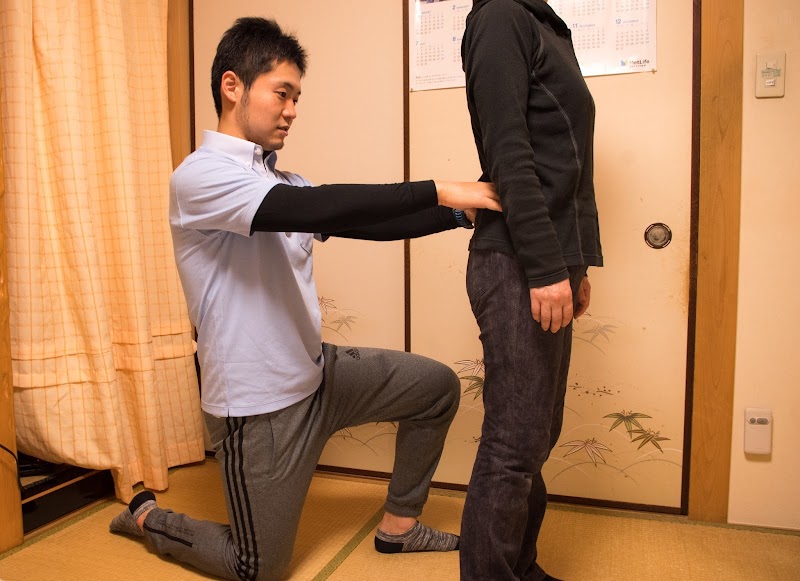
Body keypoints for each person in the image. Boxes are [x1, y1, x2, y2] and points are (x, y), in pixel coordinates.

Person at [109, 16, 500, 581]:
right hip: (259, 407)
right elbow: (320, 208)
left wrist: (458, 215)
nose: (292, 110)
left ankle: (399, 526)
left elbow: (362, 222)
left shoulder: (281, 182)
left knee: (435, 388)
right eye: (282, 93)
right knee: (256, 568)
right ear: (232, 86)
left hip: (317, 375)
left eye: (297, 98)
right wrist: (438, 188)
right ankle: (148, 516)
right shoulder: (199, 178)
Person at [458, 1, 603, 580]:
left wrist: (576, 264)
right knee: (514, 445)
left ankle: (522, 568)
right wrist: (545, 268)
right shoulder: (501, 17)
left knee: (537, 438)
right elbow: (510, 156)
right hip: (515, 262)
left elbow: (569, 166)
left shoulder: (545, 25)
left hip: (546, 260)